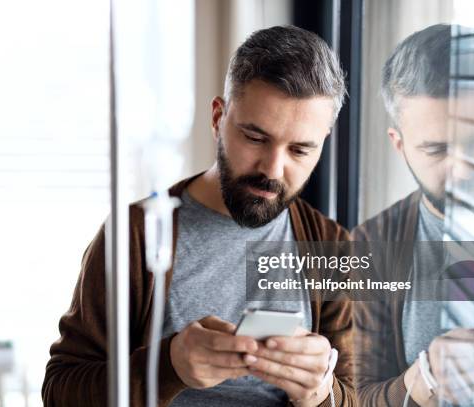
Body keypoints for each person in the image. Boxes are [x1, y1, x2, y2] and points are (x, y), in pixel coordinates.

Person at [42, 25, 355, 407]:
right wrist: (169, 366)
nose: (273, 169)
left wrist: (321, 393)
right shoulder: (134, 237)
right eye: (255, 138)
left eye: (300, 150)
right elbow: (60, 393)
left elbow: (355, 396)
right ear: (218, 118)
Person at [352, 24, 474, 406]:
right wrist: (425, 376)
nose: (463, 170)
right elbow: (355, 397)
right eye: (436, 150)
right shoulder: (370, 247)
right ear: (399, 146)